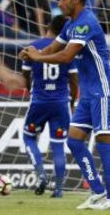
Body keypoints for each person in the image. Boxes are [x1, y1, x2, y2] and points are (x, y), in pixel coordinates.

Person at [19, 0, 110, 210]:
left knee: (104, 143)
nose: (59, 2)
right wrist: (32, 53)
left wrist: (37, 58)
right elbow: (53, 49)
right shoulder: (70, 25)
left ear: (75, 0)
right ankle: (97, 192)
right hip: (87, 94)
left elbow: (66, 57)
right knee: (74, 140)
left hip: (103, 92)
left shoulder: (86, 23)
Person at [21, 15, 78, 198]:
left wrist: (32, 90)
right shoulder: (67, 51)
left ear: (48, 27)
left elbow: (25, 76)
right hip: (61, 103)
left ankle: (40, 175)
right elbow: (75, 81)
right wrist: (71, 102)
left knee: (28, 136)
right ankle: (59, 190)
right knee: (58, 145)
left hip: (39, 101)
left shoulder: (33, 47)